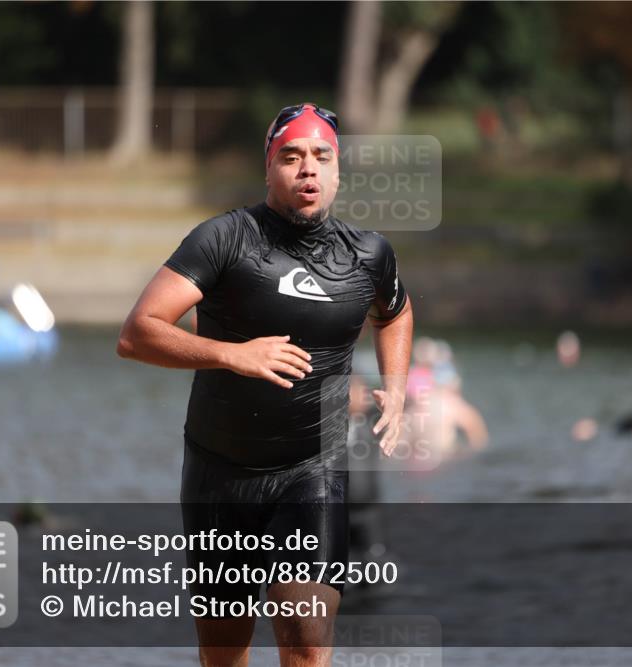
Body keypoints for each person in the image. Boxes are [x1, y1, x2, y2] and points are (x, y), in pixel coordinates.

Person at [116, 102, 414, 667]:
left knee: (306, 636)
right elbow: (137, 334)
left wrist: (395, 388)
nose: (308, 168)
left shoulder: (368, 254)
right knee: (225, 654)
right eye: (291, 156)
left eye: (321, 156)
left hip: (313, 471)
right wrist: (232, 355)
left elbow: (395, 313)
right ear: (269, 167)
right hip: (219, 474)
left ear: (337, 171)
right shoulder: (223, 239)